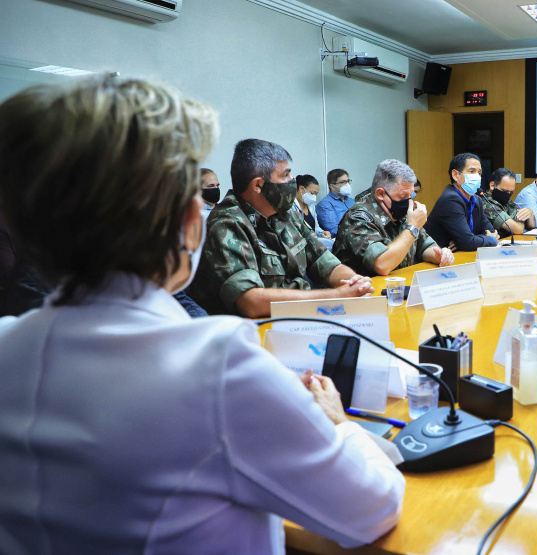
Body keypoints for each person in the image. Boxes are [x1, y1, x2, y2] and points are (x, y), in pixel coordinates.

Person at [0, 75, 403, 553]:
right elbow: (372, 508)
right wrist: (337, 422)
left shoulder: (8, 345)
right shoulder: (218, 367)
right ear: (190, 222)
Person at [189, 140, 373, 317]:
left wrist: (355, 283)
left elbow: (325, 263)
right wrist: (335, 297)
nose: (291, 181)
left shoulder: (286, 214)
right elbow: (250, 301)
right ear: (258, 185)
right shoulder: (226, 223)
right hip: (254, 328)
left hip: (300, 317)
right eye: (285, 175)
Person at [333, 159, 454, 276]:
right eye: (403, 196)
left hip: (398, 282)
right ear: (380, 194)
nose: (409, 202)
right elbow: (382, 264)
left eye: (411, 195)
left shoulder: (400, 211)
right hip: (365, 287)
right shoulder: (358, 218)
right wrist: (412, 228)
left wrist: (440, 255)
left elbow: (425, 246)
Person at [424, 153, 498, 251]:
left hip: (460, 254)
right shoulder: (450, 200)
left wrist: (464, 241)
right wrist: (468, 241)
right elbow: (469, 243)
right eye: (471, 171)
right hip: (437, 257)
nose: (477, 176)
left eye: (479, 173)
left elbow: (491, 232)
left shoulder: (477, 200)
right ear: (455, 175)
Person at [478, 168, 535, 238]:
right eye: (505, 191)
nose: (508, 194)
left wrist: (530, 213)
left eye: (511, 192)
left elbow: (531, 226)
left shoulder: (507, 202)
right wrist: (522, 219)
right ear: (492, 185)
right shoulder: (486, 204)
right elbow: (518, 230)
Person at [316, 168, 355, 237]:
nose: (347, 185)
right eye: (343, 182)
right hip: (343, 239)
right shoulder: (325, 204)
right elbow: (333, 230)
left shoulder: (351, 201)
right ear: (332, 187)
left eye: (348, 181)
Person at [292, 174, 331, 239]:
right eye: (312, 193)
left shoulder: (311, 205)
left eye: (316, 194)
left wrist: (322, 232)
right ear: (301, 189)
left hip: (313, 240)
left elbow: (315, 228)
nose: (314, 197)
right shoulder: (291, 206)